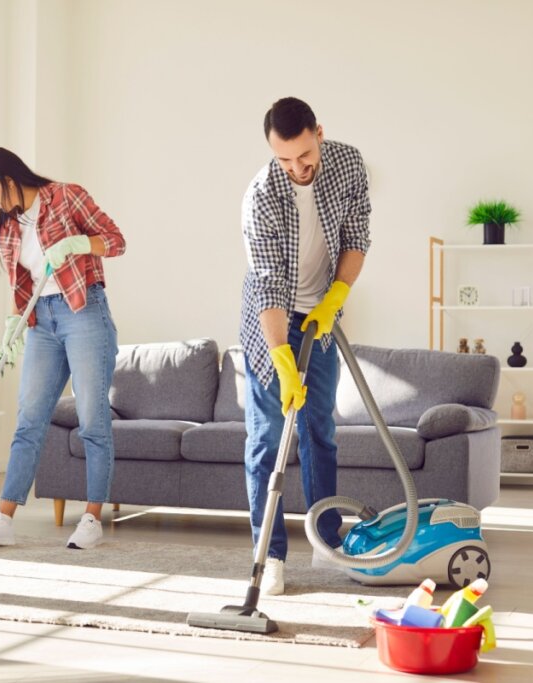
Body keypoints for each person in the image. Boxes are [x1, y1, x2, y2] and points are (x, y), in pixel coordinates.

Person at [239, 98, 372, 594]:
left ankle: (326, 543)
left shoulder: (347, 163)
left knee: (320, 429)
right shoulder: (262, 195)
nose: (297, 168)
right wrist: (282, 359)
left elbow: (358, 235)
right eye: (284, 159)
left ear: (319, 133)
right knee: (268, 437)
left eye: (304, 155)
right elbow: (269, 285)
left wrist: (336, 296)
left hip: (322, 312)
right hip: (271, 317)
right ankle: (269, 555)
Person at [0, 147, 125, 550]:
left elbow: (115, 241)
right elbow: (20, 283)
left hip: (84, 312)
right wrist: (12, 321)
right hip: (42, 319)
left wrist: (76, 243)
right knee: (29, 419)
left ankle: (92, 518)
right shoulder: (8, 227)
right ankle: (3, 518)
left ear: (8, 180)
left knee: (92, 421)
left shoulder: (66, 196)